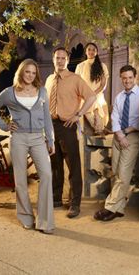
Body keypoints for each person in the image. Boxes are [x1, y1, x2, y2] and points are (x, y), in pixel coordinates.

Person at [0, 59, 55, 234]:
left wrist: (50, 140)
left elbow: (47, 117)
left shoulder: (41, 91)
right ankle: (26, 217)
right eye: (27, 72)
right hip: (18, 138)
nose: (30, 76)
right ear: (21, 72)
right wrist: (4, 126)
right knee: (20, 180)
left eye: (33, 73)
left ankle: (45, 222)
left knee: (46, 174)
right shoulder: (9, 93)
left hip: (38, 138)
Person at [45, 47, 96, 218]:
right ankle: (56, 198)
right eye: (57, 58)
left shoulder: (75, 79)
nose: (60, 61)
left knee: (73, 165)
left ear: (67, 60)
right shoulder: (49, 79)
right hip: (51, 126)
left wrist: (78, 115)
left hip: (67, 125)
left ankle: (75, 203)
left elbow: (91, 97)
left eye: (63, 58)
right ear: (53, 59)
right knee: (55, 164)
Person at [93, 65, 139, 222]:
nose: (127, 80)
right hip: (118, 136)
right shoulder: (119, 96)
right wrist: (120, 134)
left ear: (135, 77)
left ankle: (110, 207)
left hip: (134, 137)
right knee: (115, 172)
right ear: (121, 78)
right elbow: (115, 117)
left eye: (130, 77)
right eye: (124, 78)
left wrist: (132, 129)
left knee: (123, 174)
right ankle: (119, 208)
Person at [75, 42, 109, 134]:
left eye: (94, 50)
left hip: (97, 95)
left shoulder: (102, 66)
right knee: (87, 106)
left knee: (95, 104)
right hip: (83, 97)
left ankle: (100, 128)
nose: (91, 51)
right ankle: (100, 129)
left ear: (97, 52)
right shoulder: (80, 66)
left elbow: (103, 84)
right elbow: (77, 84)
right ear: (86, 52)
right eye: (89, 49)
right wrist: (86, 95)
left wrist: (93, 94)